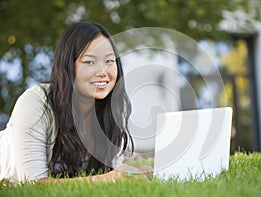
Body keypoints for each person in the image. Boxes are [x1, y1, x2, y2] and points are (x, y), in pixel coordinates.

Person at [0, 21, 152, 183]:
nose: (102, 72)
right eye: (89, 62)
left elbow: (99, 179)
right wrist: (112, 178)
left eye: (109, 61)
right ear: (68, 66)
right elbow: (34, 185)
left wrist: (134, 173)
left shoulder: (107, 110)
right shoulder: (36, 102)